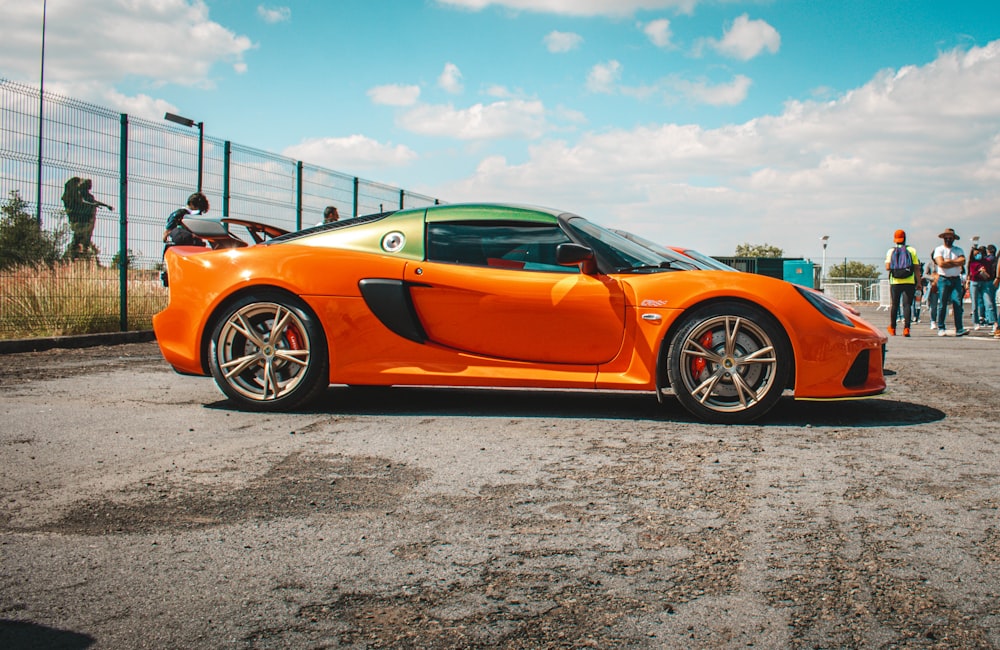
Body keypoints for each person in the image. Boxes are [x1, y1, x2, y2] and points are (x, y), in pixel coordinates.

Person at [62, 177, 112, 258]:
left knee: (85, 241)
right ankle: (70, 256)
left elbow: (94, 202)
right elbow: (82, 201)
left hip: (88, 220)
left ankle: (82, 256)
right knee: (77, 239)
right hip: (80, 220)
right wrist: (92, 205)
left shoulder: (89, 196)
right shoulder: (78, 194)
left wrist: (106, 205)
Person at [884, 229, 920, 337]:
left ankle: (893, 328)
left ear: (895, 240)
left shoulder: (891, 251)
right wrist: (918, 282)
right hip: (909, 281)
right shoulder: (912, 250)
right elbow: (916, 268)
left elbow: (887, 267)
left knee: (894, 305)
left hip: (895, 281)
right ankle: (907, 329)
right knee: (907, 305)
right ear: (905, 238)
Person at [933, 228, 968, 336]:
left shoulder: (958, 250)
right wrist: (955, 262)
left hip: (956, 279)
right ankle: (941, 327)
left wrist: (949, 261)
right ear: (943, 238)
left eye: (951, 237)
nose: (948, 239)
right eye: (947, 237)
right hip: (943, 279)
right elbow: (941, 264)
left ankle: (959, 328)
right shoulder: (939, 249)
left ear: (954, 239)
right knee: (942, 304)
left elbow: (963, 261)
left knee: (957, 303)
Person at [968, 245, 995, 330]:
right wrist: (979, 271)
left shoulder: (986, 261)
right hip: (974, 283)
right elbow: (973, 274)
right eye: (976, 254)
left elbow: (990, 271)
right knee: (975, 304)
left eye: (979, 253)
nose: (978, 255)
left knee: (989, 302)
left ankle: (993, 321)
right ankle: (976, 322)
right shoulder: (972, 263)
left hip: (984, 283)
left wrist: (985, 272)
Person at [925, 257, 939, 330]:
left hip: (943, 285)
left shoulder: (943, 263)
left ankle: (940, 321)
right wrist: (933, 278)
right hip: (933, 286)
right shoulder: (930, 264)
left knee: (943, 305)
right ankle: (933, 321)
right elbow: (925, 274)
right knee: (933, 305)